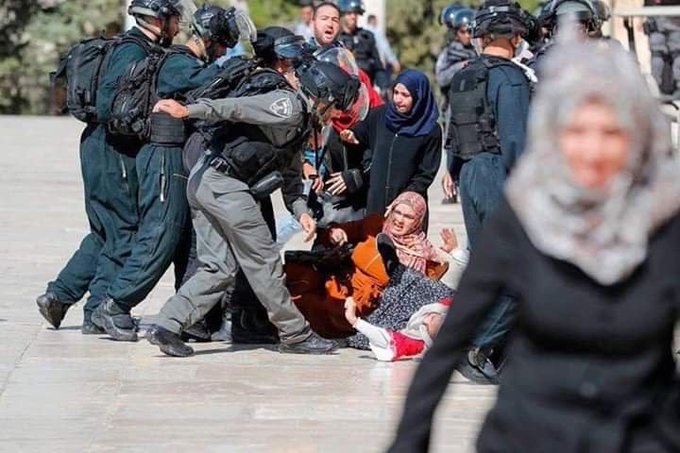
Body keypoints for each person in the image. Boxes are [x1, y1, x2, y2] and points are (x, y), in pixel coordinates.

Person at [388, 40, 680, 453]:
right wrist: (410, 439)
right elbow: (450, 341)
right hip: (531, 433)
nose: (593, 151)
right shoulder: (525, 217)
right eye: (578, 131)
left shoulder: (664, 222)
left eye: (611, 132)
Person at [143, 58, 361, 357]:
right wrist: (188, 111)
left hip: (206, 182)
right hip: (224, 185)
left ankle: (167, 325)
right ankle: (295, 334)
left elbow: (290, 179)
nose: (335, 113)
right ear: (320, 96)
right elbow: (235, 107)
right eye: (333, 105)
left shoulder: (299, 125)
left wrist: (302, 213)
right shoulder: (289, 105)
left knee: (218, 268)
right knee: (265, 261)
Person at [91, 5, 254, 342]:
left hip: (174, 157)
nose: (223, 52)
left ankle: (190, 317)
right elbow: (208, 82)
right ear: (209, 39)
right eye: (222, 45)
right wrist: (238, 68)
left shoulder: (184, 61)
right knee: (161, 233)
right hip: (163, 155)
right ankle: (115, 304)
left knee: (183, 240)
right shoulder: (179, 62)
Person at [36, 0, 181, 334]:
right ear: (159, 21)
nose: (177, 26)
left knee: (105, 228)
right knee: (124, 230)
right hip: (112, 148)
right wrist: (148, 118)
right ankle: (97, 311)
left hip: (102, 145)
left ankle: (59, 295)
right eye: (174, 19)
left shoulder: (134, 48)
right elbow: (109, 106)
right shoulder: (133, 52)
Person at [446, 0, 531, 384]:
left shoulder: (465, 74)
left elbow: (454, 133)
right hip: (499, 174)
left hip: (469, 175)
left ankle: (497, 354)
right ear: (514, 37)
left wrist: (455, 171)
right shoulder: (510, 78)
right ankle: (476, 346)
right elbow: (516, 143)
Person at [340, 70, 442, 218]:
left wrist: (405, 198)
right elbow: (361, 135)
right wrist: (352, 136)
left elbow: (426, 173)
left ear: (419, 97)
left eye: (405, 95)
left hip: (407, 209)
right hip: (376, 203)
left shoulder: (430, 130)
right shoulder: (379, 116)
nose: (398, 100)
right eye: (396, 92)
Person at [435, 5, 478, 204]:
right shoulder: (449, 53)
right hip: (454, 108)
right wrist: (460, 68)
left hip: (476, 107)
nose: (467, 35)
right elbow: (441, 77)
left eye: (470, 31)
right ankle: (451, 189)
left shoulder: (480, 50)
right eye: (463, 31)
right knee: (453, 148)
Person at [344, 296, 451, 362]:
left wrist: (354, 320)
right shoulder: (443, 308)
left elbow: (384, 339)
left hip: (386, 325)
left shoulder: (415, 343)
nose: (425, 321)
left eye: (428, 324)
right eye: (432, 317)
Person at [337, 0, 388, 90]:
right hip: (343, 90)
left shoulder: (367, 37)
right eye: (349, 13)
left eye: (355, 13)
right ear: (343, 15)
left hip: (366, 89)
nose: (353, 16)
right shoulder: (336, 38)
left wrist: (385, 87)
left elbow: (378, 67)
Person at [644, 0, 680, 95]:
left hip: (657, 14)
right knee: (676, 53)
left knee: (658, 54)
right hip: (672, 15)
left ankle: (656, 89)